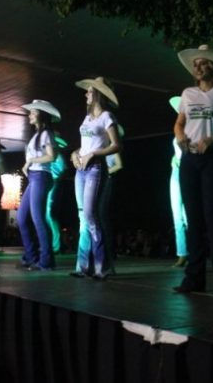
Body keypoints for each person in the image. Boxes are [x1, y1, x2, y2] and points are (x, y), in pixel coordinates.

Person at [173, 44, 213, 298]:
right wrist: (180, 137)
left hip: (212, 158)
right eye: (195, 65)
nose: (197, 68)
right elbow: (179, 123)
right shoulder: (187, 93)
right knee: (193, 218)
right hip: (190, 159)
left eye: (202, 63)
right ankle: (194, 279)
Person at [70, 77, 121, 280]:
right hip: (81, 170)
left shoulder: (107, 116)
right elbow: (85, 145)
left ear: (98, 94)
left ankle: (102, 266)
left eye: (90, 91)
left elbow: (116, 145)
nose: (86, 94)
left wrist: (93, 154)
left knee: (91, 216)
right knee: (83, 217)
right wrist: (75, 153)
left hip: (96, 168)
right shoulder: (87, 118)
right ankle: (83, 266)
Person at [17, 100, 60, 270]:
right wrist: (28, 165)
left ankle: (46, 261)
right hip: (35, 177)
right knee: (21, 218)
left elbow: (52, 156)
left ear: (41, 115)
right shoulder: (37, 135)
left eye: (33, 112)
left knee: (38, 219)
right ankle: (31, 256)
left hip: (41, 176)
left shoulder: (46, 133)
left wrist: (30, 161)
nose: (30, 115)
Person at [99, 124, 124, 273]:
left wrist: (106, 171)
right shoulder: (103, 147)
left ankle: (110, 252)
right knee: (100, 216)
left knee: (103, 215)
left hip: (109, 180)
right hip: (103, 180)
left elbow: (119, 165)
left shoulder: (112, 147)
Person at [168, 96, 188, 268]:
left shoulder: (193, 128)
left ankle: (193, 251)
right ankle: (182, 253)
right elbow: (177, 151)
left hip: (187, 170)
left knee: (188, 214)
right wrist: (174, 158)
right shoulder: (179, 126)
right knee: (177, 213)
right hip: (176, 171)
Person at [46, 133, 68, 254]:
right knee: (47, 215)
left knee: (50, 215)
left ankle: (56, 245)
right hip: (50, 184)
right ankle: (52, 244)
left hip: (53, 185)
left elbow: (62, 173)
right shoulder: (53, 156)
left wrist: (55, 181)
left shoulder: (58, 157)